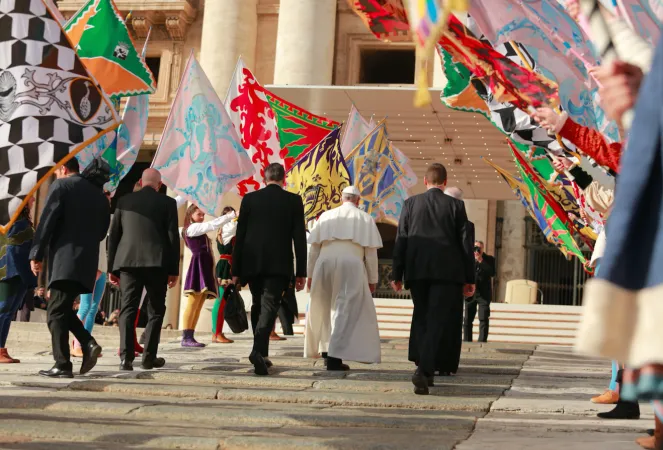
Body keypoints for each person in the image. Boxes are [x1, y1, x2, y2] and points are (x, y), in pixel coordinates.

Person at [391, 163, 475, 395]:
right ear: (445, 182)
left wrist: (397, 273)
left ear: (425, 181)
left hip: (417, 272)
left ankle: (425, 371)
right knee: (437, 320)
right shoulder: (456, 205)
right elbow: (465, 244)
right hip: (447, 274)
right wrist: (470, 277)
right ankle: (423, 370)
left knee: (421, 316)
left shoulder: (410, 204)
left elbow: (402, 239)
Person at [29, 157, 109, 378]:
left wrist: (36, 253)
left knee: (55, 312)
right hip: (87, 262)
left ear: (63, 168)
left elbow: (47, 221)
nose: (56, 175)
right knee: (61, 309)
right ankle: (87, 343)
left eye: (56, 171)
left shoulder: (62, 185)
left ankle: (63, 363)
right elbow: (102, 232)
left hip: (65, 260)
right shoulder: (100, 197)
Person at [232, 163, 307, 376]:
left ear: (264, 179)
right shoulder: (293, 200)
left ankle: (262, 353)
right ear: (284, 179)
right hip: (279, 264)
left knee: (258, 303)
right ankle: (258, 351)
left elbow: (241, 236)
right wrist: (301, 271)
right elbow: (299, 238)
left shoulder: (250, 199)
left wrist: (236, 270)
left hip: (252, 263)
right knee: (269, 305)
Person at [107, 168, 180, 371]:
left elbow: (114, 236)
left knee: (127, 309)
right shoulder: (168, 203)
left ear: (140, 181)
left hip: (128, 263)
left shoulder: (124, 201)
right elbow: (173, 237)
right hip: (157, 263)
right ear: (159, 184)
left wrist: (112, 267)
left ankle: (126, 357)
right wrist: (174, 269)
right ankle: (149, 356)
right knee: (156, 311)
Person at [305, 186, 383, 371]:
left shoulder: (326, 216)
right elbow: (371, 254)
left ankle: (325, 351)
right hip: (352, 264)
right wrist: (373, 279)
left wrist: (309, 274)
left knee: (324, 306)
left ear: (342, 198)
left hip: (323, 263)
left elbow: (314, 249)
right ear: (358, 200)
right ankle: (333, 357)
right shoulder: (365, 218)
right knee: (344, 309)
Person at [180, 204, 236, 347]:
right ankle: (186, 336)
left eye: (203, 214)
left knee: (198, 304)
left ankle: (190, 335)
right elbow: (211, 225)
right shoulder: (192, 228)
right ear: (190, 214)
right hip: (197, 268)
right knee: (193, 303)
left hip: (204, 268)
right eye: (199, 214)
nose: (202, 217)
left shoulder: (196, 229)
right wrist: (231, 215)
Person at [434, 186, 474, 376]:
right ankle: (447, 364)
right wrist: (469, 279)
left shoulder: (431, 219)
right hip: (453, 278)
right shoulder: (465, 224)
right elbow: (468, 254)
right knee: (451, 321)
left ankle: (428, 360)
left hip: (430, 275)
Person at [71, 191, 111, 358]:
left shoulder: (105, 219)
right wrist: (93, 266)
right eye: (106, 200)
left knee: (94, 308)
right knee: (85, 306)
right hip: (91, 268)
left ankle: (86, 342)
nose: (108, 203)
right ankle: (76, 343)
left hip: (102, 267)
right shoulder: (89, 218)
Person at [0, 198, 38, 363]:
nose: (34, 199)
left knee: (9, 312)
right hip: (10, 271)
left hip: (21, 273)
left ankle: (1, 348)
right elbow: (11, 245)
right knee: (3, 310)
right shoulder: (9, 219)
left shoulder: (23, 221)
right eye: (30, 197)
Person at [213, 206, 238, 344]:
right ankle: (217, 333)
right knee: (220, 300)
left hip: (228, 264)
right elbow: (235, 225)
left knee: (223, 300)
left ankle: (217, 333)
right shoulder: (228, 227)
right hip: (225, 266)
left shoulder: (227, 227)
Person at [464, 241, 495, 343]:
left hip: (484, 295)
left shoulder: (489, 259)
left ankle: (482, 341)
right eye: (475, 248)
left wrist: (481, 260)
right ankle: (467, 341)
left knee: (483, 318)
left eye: (479, 248)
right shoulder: (468, 259)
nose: (477, 250)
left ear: (483, 249)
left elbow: (492, 272)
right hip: (470, 293)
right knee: (468, 319)